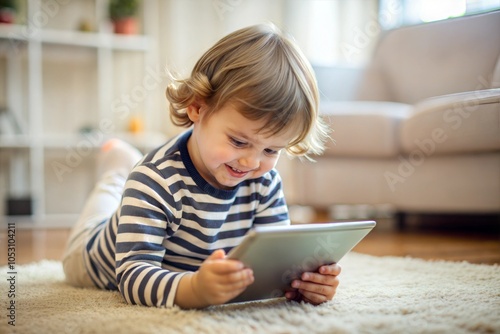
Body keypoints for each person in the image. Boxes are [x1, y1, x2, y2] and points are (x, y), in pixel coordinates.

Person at [62, 23, 341, 309]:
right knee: (111, 190)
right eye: (238, 141)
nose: (252, 162)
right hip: (91, 259)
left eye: (271, 149)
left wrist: (303, 282)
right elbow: (133, 276)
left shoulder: (264, 181)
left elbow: (277, 261)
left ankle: (124, 165)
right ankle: (119, 166)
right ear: (197, 107)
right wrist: (193, 289)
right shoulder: (154, 180)